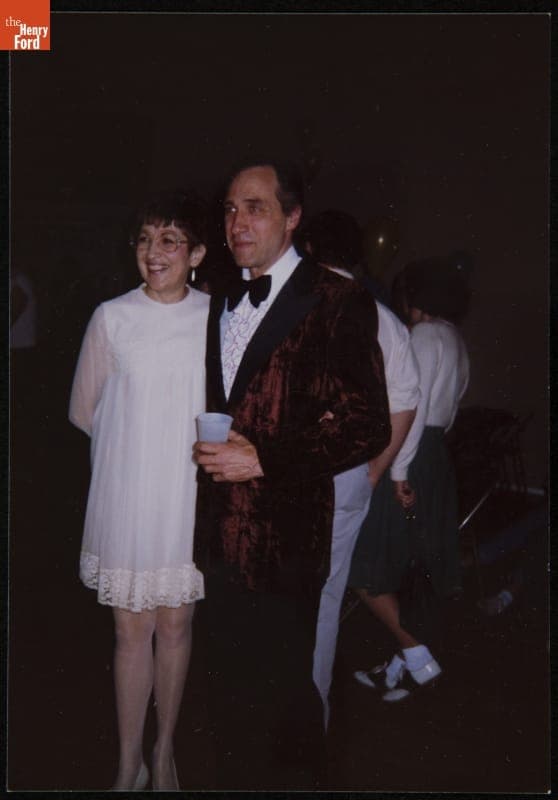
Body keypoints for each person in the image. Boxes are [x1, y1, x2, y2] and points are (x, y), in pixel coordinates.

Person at [193, 159, 391, 789]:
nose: (237, 222)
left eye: (254, 207)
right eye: (229, 209)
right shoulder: (218, 296)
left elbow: (368, 424)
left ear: (292, 217)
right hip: (215, 537)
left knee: (285, 701)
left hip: (286, 538)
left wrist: (267, 456)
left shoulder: (336, 298)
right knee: (225, 698)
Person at [69, 190, 209, 790]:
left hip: (188, 494)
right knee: (131, 632)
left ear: (197, 253)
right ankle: (130, 760)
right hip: (128, 492)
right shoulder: (111, 316)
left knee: (175, 625)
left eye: (170, 240)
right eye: (146, 240)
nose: (155, 253)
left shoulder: (216, 316)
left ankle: (167, 749)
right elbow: (83, 410)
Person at [300, 209, 420, 727]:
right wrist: (374, 471)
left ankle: (304, 712)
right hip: (346, 475)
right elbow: (408, 401)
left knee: (299, 595)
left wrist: (372, 473)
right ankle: (312, 712)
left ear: (307, 251)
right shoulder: (384, 317)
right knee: (323, 597)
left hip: (315, 473)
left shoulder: (308, 306)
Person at [348, 256, 470, 702]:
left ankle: (417, 655)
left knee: (363, 566)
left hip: (410, 457)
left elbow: (411, 407)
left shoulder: (422, 334)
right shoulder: (455, 338)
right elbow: (448, 409)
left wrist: (397, 472)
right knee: (409, 565)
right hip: (435, 456)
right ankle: (403, 663)